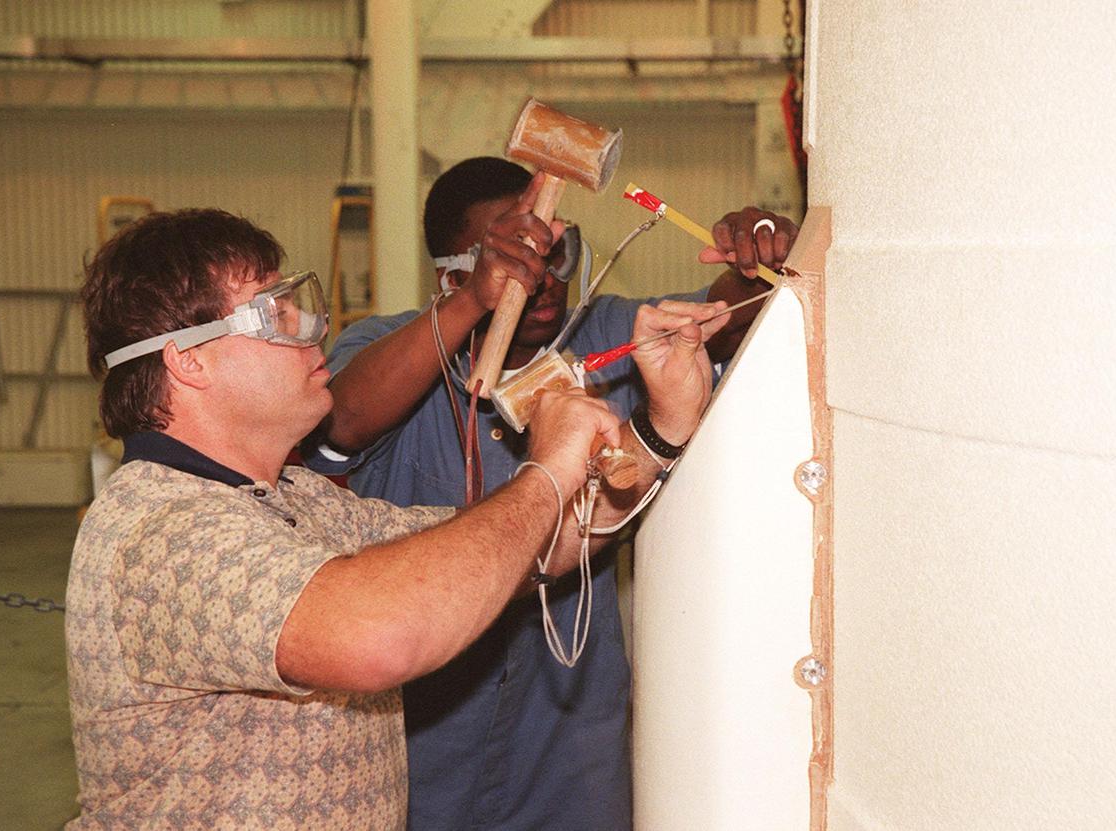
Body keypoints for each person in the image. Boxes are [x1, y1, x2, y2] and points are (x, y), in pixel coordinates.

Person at [65, 207, 729, 828]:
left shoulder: (298, 499)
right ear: (188, 361)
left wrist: (662, 427)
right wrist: (547, 471)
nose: (311, 328)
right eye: (275, 313)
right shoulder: (163, 530)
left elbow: (528, 551)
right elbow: (379, 638)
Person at [309, 157, 798, 829]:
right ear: (455, 273)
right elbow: (341, 420)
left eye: (553, 253)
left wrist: (757, 265)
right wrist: (473, 303)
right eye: (515, 259)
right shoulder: (394, 353)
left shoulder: (603, 339)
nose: (542, 281)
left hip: (565, 749)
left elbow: (723, 320)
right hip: (427, 751)